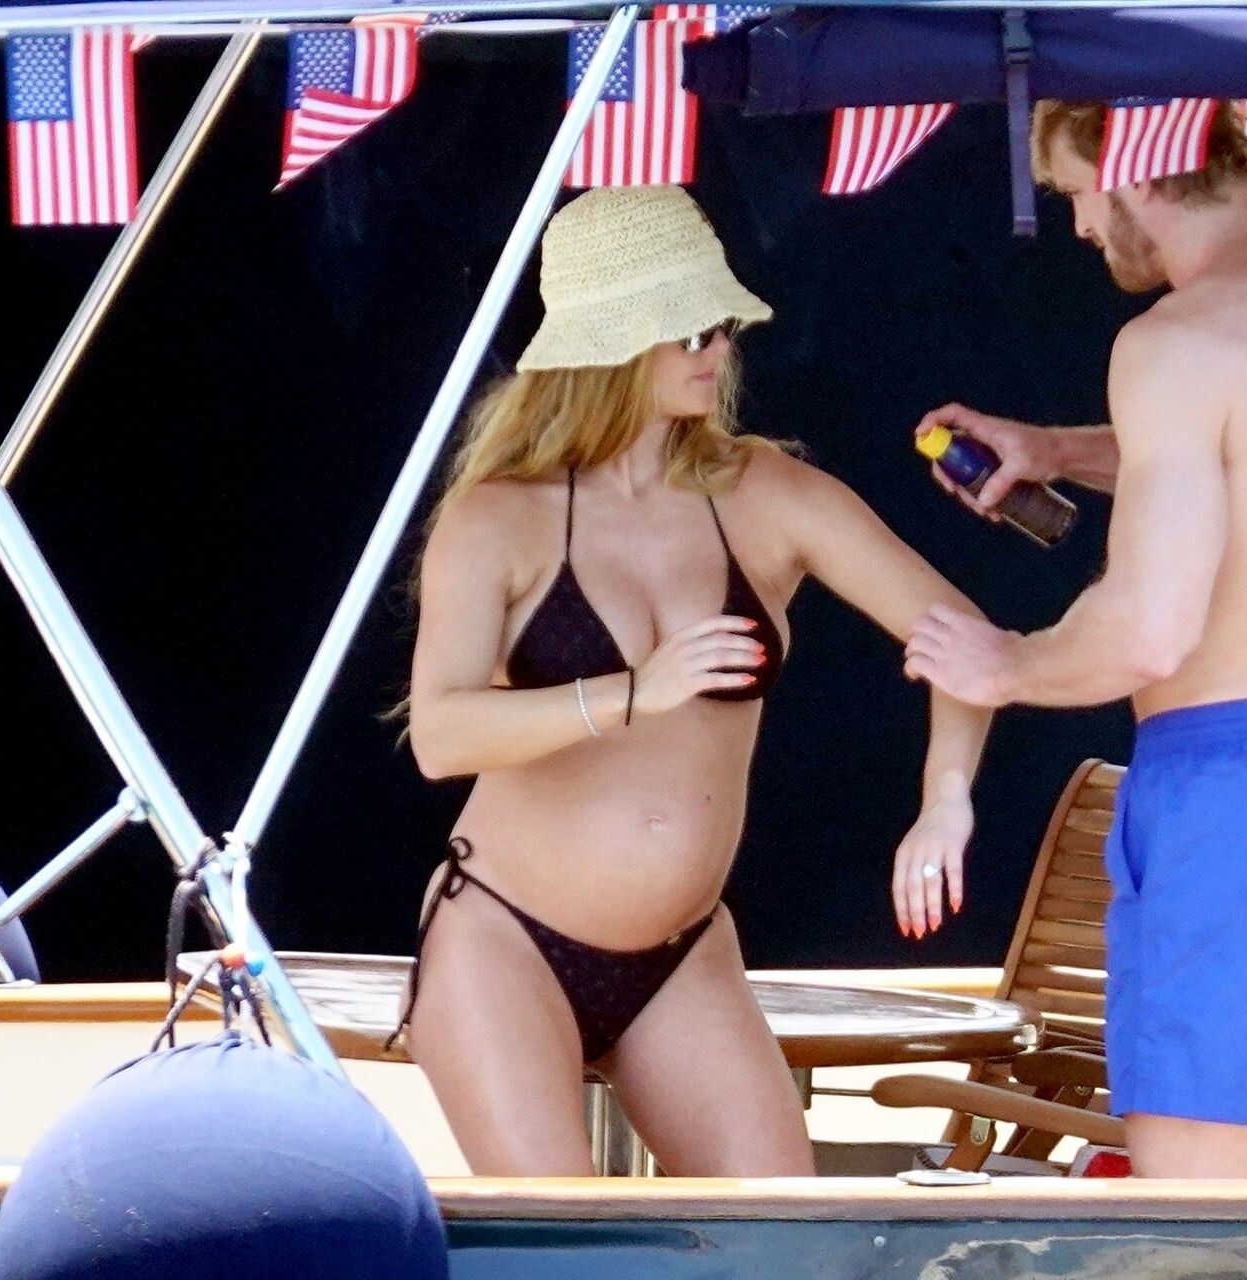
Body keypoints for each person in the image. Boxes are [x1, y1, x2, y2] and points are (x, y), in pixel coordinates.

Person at [393, 186, 990, 1177]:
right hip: (505, 935)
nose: (717, 349)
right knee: (570, 1236)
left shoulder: (767, 492)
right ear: (615, 345)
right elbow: (442, 735)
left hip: (682, 952)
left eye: (722, 325)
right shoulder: (500, 516)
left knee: (779, 1232)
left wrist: (945, 800)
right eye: (690, 330)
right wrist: (636, 690)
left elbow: (964, 637)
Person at [902, 101, 1247, 1179]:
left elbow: (1147, 632)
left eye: (1076, 193)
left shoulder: (1176, 342)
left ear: (1134, 168)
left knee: (1196, 1202)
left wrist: (1007, 664)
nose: (1080, 226)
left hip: (1236, 787)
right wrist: (1055, 449)